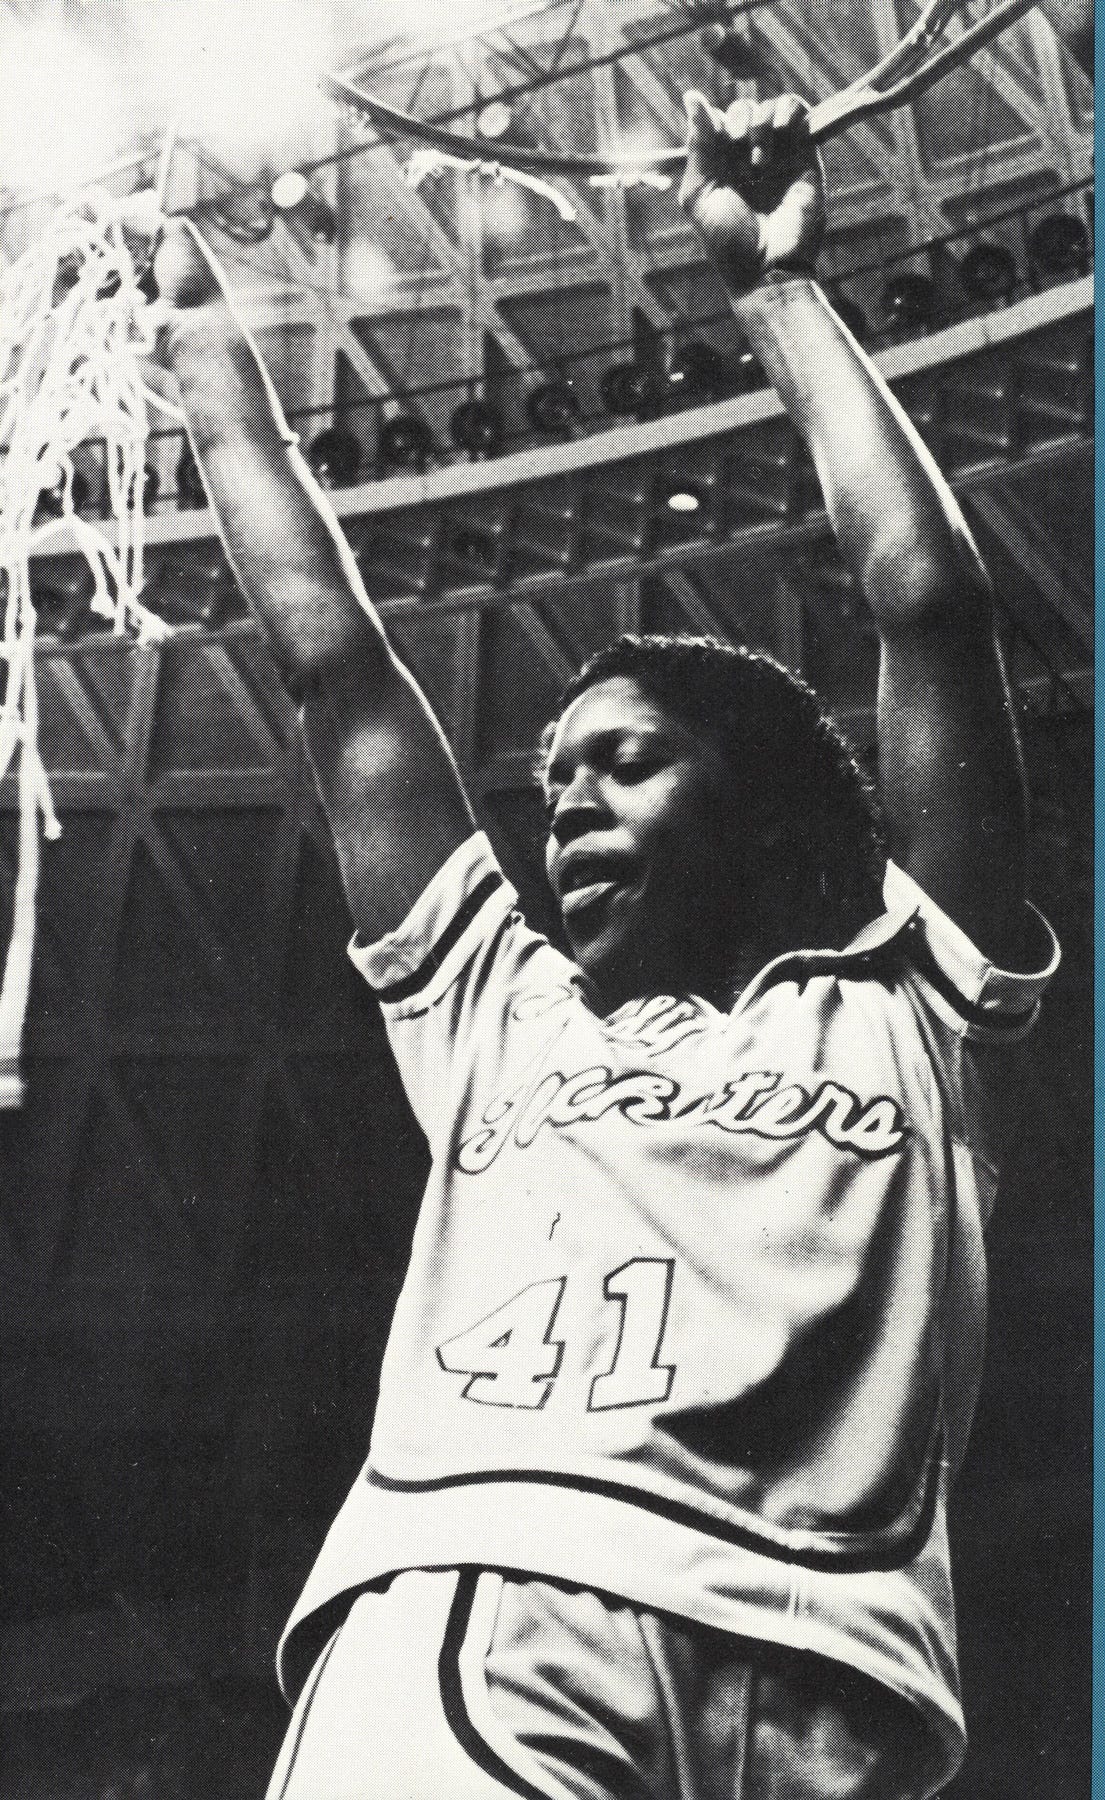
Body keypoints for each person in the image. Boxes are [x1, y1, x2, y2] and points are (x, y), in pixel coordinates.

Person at [150, 89, 1058, 1800]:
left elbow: (929, 604)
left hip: (828, 1685)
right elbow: (339, 675)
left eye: (626, 763)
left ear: (773, 816)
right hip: (496, 1611)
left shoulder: (898, 1013)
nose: (561, 804)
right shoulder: (504, 1010)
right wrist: (208, 355)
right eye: (552, 777)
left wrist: (777, 291)